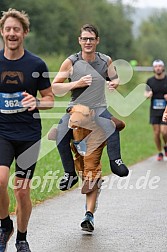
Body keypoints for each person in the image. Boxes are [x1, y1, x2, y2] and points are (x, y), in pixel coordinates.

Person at [51, 24, 129, 229]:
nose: (88, 42)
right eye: (84, 38)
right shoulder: (72, 61)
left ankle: (116, 160)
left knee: (111, 126)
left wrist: (115, 83)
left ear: (97, 41)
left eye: (91, 39)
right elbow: (55, 86)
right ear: (79, 40)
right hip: (76, 109)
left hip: (99, 108)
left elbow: (115, 77)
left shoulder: (105, 60)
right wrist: (75, 84)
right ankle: (69, 173)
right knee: (60, 133)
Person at [0, 8, 54, 252]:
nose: (12, 33)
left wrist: (37, 102)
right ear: (2, 32)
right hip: (2, 132)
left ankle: (22, 238)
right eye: (8, 29)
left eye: (16, 29)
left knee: (22, 191)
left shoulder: (36, 64)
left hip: (29, 136)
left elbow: (50, 98)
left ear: (25, 33)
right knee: (0, 180)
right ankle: (4, 225)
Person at [144, 59, 167, 161]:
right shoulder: (150, 81)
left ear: (163, 67)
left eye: (160, 66)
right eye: (156, 66)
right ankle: (159, 152)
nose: (158, 68)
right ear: (154, 68)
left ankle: (165, 146)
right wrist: (148, 95)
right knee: (156, 133)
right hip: (154, 110)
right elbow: (146, 93)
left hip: (165, 110)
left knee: (164, 132)